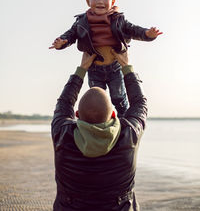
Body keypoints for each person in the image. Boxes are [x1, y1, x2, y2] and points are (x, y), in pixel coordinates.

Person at [49, 0, 162, 116]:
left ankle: (123, 119)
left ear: (112, 2)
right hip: (94, 68)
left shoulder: (117, 19)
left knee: (118, 97)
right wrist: (63, 42)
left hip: (115, 67)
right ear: (88, 2)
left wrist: (148, 34)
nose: (100, 2)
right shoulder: (83, 21)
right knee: (98, 99)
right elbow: (71, 34)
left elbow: (133, 30)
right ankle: (101, 122)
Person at [51, 50, 148, 211]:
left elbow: (63, 103)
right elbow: (140, 104)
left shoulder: (62, 134)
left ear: (76, 115)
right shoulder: (129, 134)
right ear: (113, 114)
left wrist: (82, 69)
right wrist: (126, 66)